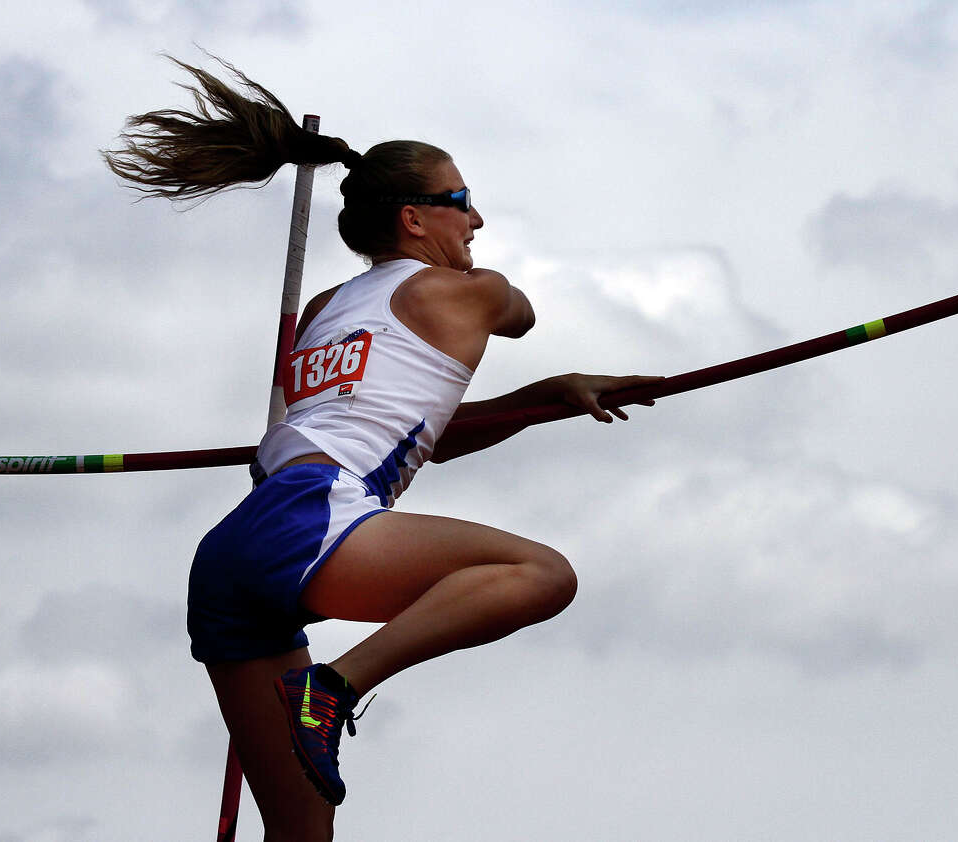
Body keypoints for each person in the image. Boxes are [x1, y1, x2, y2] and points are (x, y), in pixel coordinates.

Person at [105, 57, 663, 842]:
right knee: (542, 574)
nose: (476, 223)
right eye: (461, 203)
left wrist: (551, 396)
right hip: (316, 517)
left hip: (238, 547)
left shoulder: (329, 306)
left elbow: (420, 437)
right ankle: (337, 686)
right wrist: (537, 356)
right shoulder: (474, 291)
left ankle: (325, 695)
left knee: (301, 833)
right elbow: (522, 316)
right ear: (414, 217)